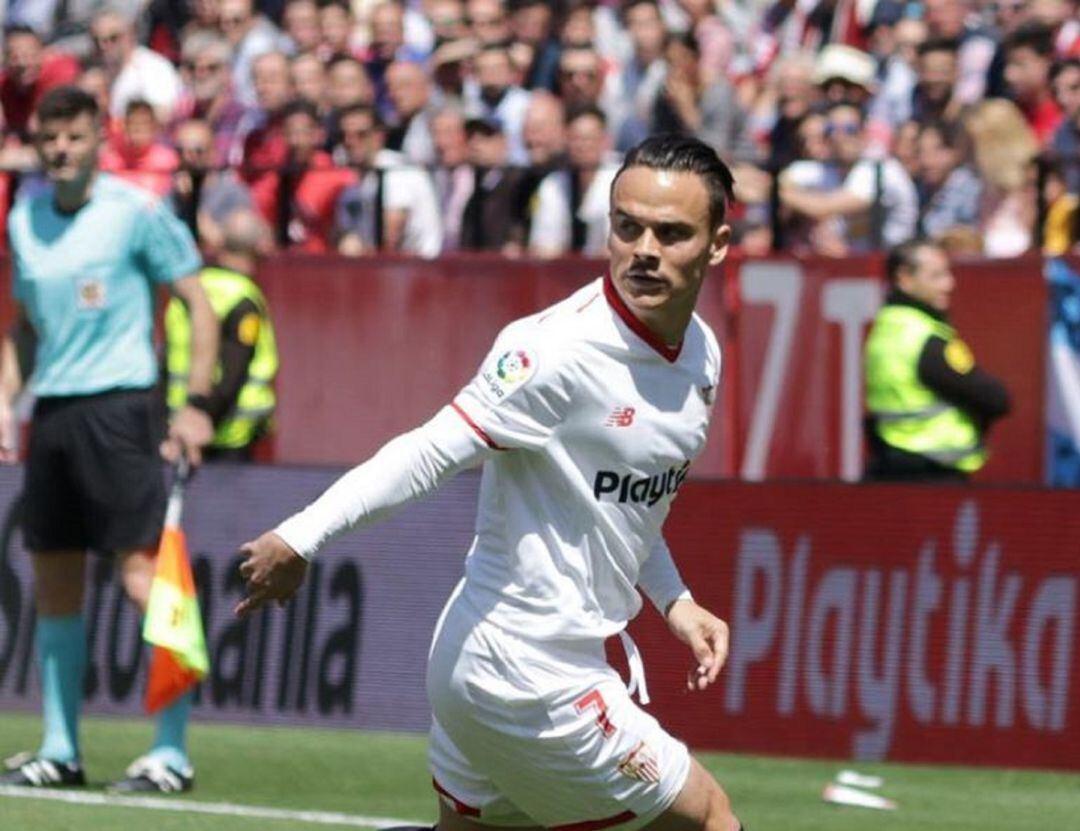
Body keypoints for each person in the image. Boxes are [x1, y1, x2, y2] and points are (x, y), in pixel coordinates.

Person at [236, 134, 745, 831]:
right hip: (524, 671)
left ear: (717, 244)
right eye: (627, 227)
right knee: (710, 815)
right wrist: (302, 534)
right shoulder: (553, 351)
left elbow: (623, 505)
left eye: (671, 232)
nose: (644, 249)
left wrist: (676, 602)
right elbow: (427, 452)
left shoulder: (701, 357)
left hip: (493, 668)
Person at [0, 86, 219, 791]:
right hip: (53, 416)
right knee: (55, 579)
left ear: (99, 139)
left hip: (123, 410)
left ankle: (173, 752)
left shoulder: (137, 212)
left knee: (141, 576)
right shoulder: (25, 220)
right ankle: (61, 748)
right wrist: (6, 397)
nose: (60, 149)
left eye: (73, 136)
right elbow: (27, 325)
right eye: (49, 138)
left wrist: (194, 405)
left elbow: (199, 305)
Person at [864, 239, 1011, 482]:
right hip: (934, 472)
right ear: (905, 278)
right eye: (936, 276)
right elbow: (994, 398)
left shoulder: (887, 326)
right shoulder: (922, 336)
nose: (949, 284)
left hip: (893, 462)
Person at [165, 210, 279, 462]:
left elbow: (164, 361)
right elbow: (233, 372)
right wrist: (202, 420)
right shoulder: (243, 297)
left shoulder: (193, 291)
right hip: (229, 436)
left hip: (178, 430)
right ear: (258, 247)